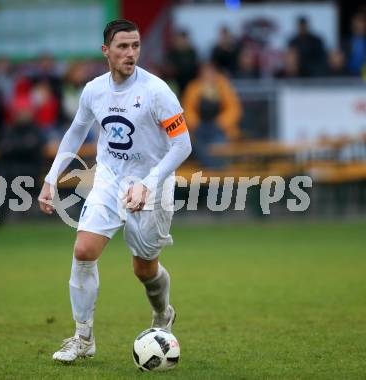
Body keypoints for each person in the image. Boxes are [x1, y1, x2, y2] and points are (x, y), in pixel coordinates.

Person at [38, 19, 192, 363]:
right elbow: (76, 132)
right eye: (123, 46)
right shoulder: (94, 90)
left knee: (144, 270)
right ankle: (83, 337)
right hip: (109, 178)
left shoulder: (156, 91)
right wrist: (52, 178)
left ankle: (162, 313)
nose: (131, 53)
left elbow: (182, 145)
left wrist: (148, 184)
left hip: (152, 183)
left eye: (136, 46)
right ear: (106, 51)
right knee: (83, 250)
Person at [182, 62, 241, 168]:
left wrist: (220, 124)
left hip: (221, 130)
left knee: (219, 146)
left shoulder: (223, 86)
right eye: (204, 72)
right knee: (198, 145)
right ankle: (213, 172)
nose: (207, 75)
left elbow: (234, 108)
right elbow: (187, 109)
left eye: (210, 71)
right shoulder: (194, 87)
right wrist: (197, 124)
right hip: (199, 130)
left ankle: (218, 171)